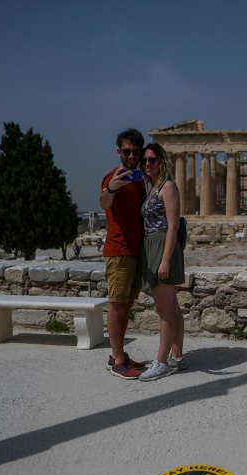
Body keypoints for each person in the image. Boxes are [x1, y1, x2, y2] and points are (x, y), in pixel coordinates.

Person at [100, 128, 148, 380]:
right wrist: (112, 187)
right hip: (118, 251)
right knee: (117, 305)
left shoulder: (139, 179)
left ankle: (117, 355)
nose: (131, 156)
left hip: (134, 250)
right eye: (127, 151)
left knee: (127, 305)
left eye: (135, 152)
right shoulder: (113, 177)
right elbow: (104, 202)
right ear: (119, 151)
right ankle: (118, 361)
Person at [137, 142, 185, 382]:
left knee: (164, 311)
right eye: (144, 160)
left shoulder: (167, 187)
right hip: (153, 247)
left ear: (161, 161)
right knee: (172, 307)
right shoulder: (151, 188)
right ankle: (176, 357)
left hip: (163, 248)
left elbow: (173, 225)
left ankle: (162, 362)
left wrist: (165, 260)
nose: (147, 164)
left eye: (152, 160)